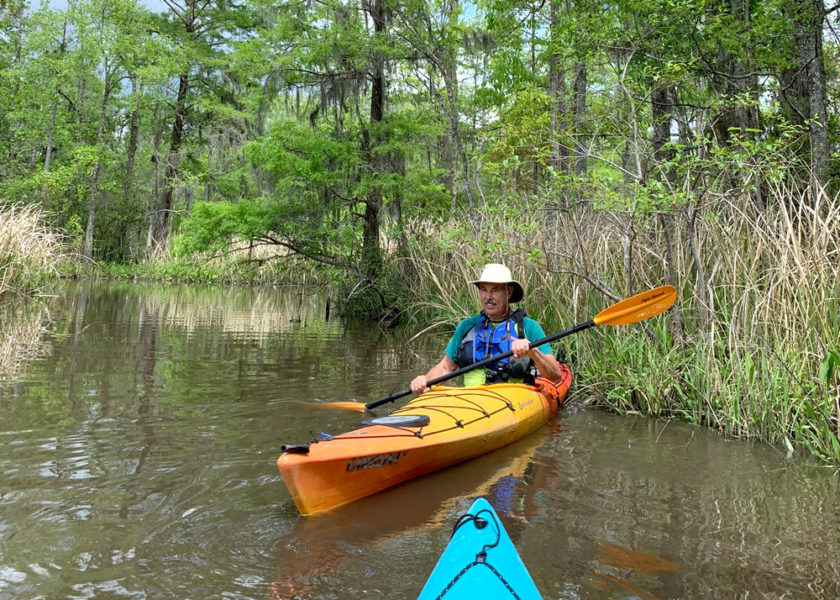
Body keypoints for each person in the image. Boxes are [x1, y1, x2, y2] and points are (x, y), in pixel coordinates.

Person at [410, 263, 563, 393]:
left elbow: (555, 376)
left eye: (495, 290)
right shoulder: (466, 327)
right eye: (483, 289)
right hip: (471, 400)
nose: (487, 297)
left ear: (508, 293)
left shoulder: (529, 327)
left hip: (514, 401)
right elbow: (445, 368)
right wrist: (425, 380)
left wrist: (533, 352)